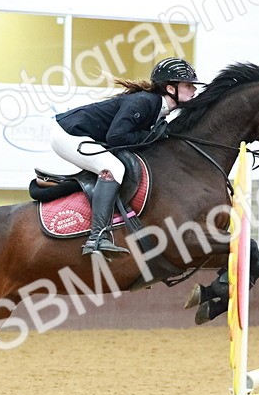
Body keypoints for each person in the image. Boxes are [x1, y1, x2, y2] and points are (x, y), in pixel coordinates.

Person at [51, 57, 200, 257]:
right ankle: (97, 237)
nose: (194, 90)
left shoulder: (158, 109)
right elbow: (116, 137)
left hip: (81, 134)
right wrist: (152, 135)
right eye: (188, 85)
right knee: (113, 169)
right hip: (67, 134)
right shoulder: (145, 102)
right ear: (170, 88)